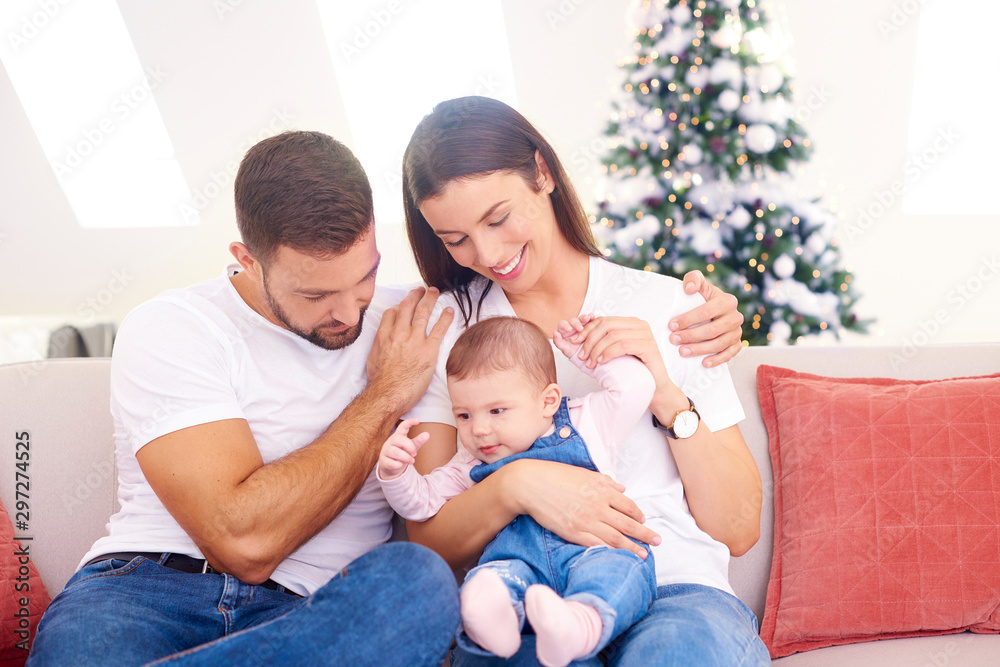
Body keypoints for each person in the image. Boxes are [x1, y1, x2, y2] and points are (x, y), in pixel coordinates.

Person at [27, 131, 461, 666]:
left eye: (365, 276)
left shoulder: (419, 326)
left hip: (313, 613)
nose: (350, 312)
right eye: (315, 294)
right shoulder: (173, 326)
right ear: (246, 259)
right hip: (145, 592)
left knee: (416, 586)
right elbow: (243, 543)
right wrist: (387, 393)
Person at [400, 96, 769, 665]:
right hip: (527, 598)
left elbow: (739, 527)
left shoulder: (668, 305)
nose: (489, 253)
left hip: (675, 589)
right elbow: (429, 542)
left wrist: (667, 395)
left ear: (542, 173)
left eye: (498, 219)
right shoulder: (449, 329)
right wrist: (517, 485)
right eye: (456, 239)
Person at [378, 315, 657, 666]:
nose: (479, 429)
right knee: (490, 578)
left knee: (622, 567)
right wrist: (396, 473)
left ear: (548, 401)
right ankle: (492, 622)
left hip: (593, 552)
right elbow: (421, 505)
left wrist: (586, 354)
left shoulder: (587, 422)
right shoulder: (468, 464)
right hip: (518, 565)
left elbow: (637, 387)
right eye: (463, 415)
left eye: (496, 410)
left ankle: (579, 623)